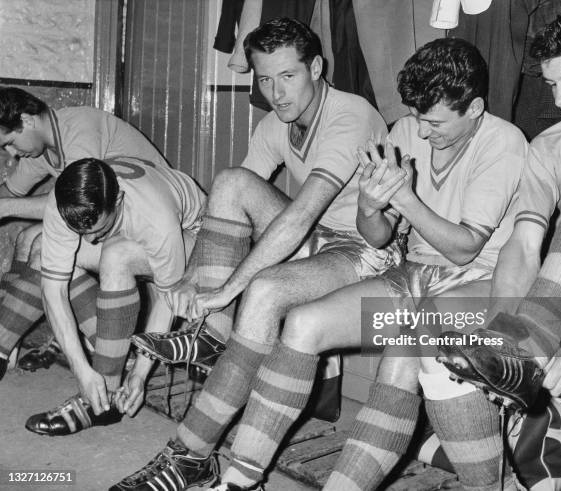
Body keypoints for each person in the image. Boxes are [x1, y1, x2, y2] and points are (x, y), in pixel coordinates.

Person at [143, 37, 525, 491]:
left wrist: (401, 195)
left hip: (477, 284)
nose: (421, 132)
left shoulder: (504, 141)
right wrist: (369, 206)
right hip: (413, 275)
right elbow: (379, 236)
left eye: (435, 122)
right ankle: (239, 478)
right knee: (304, 325)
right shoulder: (405, 131)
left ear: (476, 107)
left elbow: (464, 247)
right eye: (417, 118)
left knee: (404, 356)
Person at [110, 17, 398, 491]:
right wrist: (196, 277)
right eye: (265, 79)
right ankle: (213, 336)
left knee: (262, 291)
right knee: (229, 182)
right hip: (318, 236)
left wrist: (227, 289)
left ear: (317, 68)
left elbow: (300, 215)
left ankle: (195, 456)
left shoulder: (351, 115)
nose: (276, 91)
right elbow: (227, 210)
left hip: (365, 249)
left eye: (288, 76)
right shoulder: (274, 123)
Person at [439, 7, 561, 411]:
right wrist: (501, 338)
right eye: (551, 83)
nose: (560, 99)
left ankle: (532, 351)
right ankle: (492, 465)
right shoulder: (549, 146)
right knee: (434, 320)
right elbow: (522, 247)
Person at [24, 156, 206, 437]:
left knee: (115, 254)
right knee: (42, 251)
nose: (90, 240)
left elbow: (168, 299)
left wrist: (140, 376)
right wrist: (81, 369)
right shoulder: (63, 201)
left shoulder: (154, 217)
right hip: (138, 229)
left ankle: (105, 397)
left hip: (198, 240)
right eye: (81, 232)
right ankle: (115, 357)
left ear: (118, 200)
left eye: (99, 230)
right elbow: (53, 291)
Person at [0, 87, 171, 380]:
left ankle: (114, 353)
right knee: (26, 238)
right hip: (110, 225)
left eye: (10, 143)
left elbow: (74, 202)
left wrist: (5, 207)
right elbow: (8, 194)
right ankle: (8, 339)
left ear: (27, 121)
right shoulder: (40, 147)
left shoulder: (80, 127)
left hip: (153, 228)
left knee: (41, 243)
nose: (11, 154)